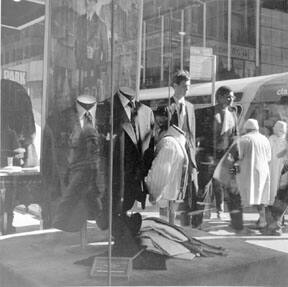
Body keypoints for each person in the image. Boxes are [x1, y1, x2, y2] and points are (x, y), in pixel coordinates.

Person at [98, 86, 155, 252]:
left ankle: (126, 230)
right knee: (111, 211)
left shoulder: (146, 112)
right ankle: (123, 231)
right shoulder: (104, 109)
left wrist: (144, 174)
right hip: (114, 177)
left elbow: (150, 147)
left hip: (135, 178)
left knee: (126, 209)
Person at [42, 90, 103, 228]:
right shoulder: (56, 122)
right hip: (70, 190)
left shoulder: (110, 118)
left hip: (100, 192)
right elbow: (48, 164)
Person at [196, 86, 239, 219]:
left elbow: (235, 136)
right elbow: (197, 134)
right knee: (203, 187)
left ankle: (220, 210)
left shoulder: (233, 114)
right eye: (228, 97)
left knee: (220, 185)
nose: (231, 99)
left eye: (232, 97)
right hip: (208, 156)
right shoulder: (205, 113)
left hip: (224, 157)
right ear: (219, 97)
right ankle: (197, 217)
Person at [167, 70, 198, 226]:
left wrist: (193, 156)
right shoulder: (167, 106)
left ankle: (185, 224)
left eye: (189, 86)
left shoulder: (191, 107)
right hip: (173, 153)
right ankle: (171, 223)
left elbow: (192, 134)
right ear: (175, 86)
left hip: (189, 155)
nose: (187, 89)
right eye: (185, 86)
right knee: (172, 188)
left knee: (189, 189)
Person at [145, 121, 190, 225]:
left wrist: (154, 195)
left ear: (159, 130)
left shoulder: (169, 143)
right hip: (171, 198)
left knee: (164, 230)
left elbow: (161, 174)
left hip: (164, 199)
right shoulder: (177, 143)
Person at [230, 119, 271, 228]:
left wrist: (233, 173)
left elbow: (237, 158)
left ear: (246, 129)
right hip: (263, 172)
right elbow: (269, 158)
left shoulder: (243, 139)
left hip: (247, 172)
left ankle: (237, 223)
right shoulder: (265, 139)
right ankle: (262, 221)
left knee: (240, 195)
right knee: (261, 196)